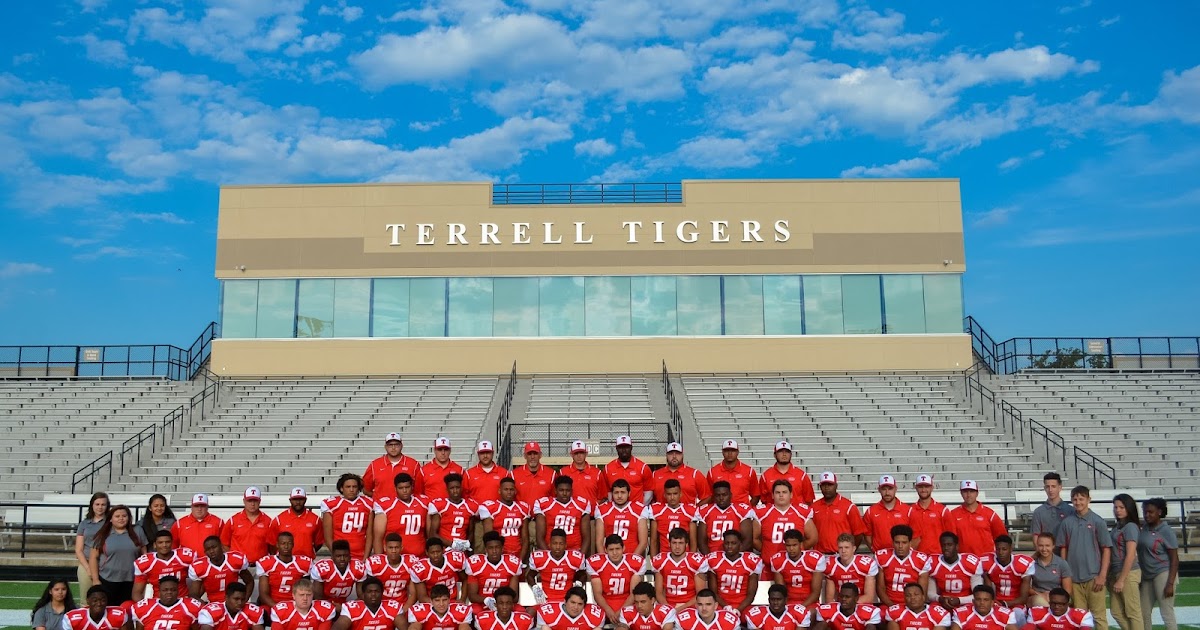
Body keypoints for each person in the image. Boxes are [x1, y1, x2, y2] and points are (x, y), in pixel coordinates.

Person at [1057, 486, 1111, 630]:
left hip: (1093, 577)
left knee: (1099, 616)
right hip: (1073, 579)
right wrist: (1065, 575)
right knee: (1079, 617)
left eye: (1081, 499)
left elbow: (1106, 549)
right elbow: (1063, 548)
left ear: (1088, 500)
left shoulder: (1098, 521)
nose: (1078, 502)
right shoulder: (1067, 522)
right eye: (1075, 499)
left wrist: (1102, 576)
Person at [89, 504, 147, 605]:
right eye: (117, 516)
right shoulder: (103, 534)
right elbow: (93, 557)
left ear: (129, 518)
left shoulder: (137, 531)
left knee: (128, 610)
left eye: (124, 516)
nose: (121, 518)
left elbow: (145, 555)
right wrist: (95, 579)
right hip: (108, 580)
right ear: (111, 519)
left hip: (132, 580)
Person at [753, 480, 818, 565]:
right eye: (777, 492)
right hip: (769, 564)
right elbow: (754, 539)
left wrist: (797, 549)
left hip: (795, 564)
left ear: (791, 495)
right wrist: (766, 550)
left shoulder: (801, 512)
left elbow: (813, 538)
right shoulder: (762, 512)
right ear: (772, 495)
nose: (781, 495)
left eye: (784, 492)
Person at [1138, 498, 1178, 630]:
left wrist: (1170, 583)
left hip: (1163, 572)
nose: (1147, 515)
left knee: (1166, 613)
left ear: (1159, 512)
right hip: (1146, 575)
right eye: (1145, 512)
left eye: (1151, 512)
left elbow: (1174, 558)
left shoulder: (1165, 530)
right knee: (1143, 613)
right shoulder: (1144, 528)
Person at [587, 534, 647, 624]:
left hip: (628, 604)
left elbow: (633, 593)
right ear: (605, 550)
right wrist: (609, 611)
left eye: (617, 549)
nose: (615, 553)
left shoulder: (634, 563)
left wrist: (621, 612)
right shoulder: (596, 563)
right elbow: (597, 594)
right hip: (604, 604)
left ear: (623, 548)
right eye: (611, 549)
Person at [704, 529, 761, 618]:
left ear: (740, 544)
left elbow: (751, 594)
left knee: (755, 619)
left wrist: (738, 610)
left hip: (743, 605)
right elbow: (713, 592)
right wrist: (726, 607)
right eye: (727, 543)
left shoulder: (750, 561)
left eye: (733, 543)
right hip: (720, 604)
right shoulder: (714, 560)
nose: (729, 546)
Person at [651, 527, 709, 613]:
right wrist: (669, 608)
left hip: (690, 606)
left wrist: (681, 608)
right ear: (669, 544)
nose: (677, 547)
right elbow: (658, 593)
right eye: (674, 543)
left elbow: (700, 594)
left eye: (681, 543)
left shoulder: (695, 561)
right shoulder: (660, 561)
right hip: (667, 605)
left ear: (686, 544)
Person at [464, 532, 521, 616]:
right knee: (471, 612)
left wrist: (500, 603)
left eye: (497, 547)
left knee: (521, 612)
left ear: (502, 548)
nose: (494, 551)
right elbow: (472, 596)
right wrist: (486, 600)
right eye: (490, 548)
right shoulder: (475, 563)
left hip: (505, 604)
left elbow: (515, 597)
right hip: (482, 603)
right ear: (486, 549)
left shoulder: (512, 563)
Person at [1108, 494, 1143, 630]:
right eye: (1116, 507)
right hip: (1115, 571)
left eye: (1122, 507)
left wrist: (1122, 579)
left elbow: (1131, 555)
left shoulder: (1131, 527)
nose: (1118, 510)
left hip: (1128, 572)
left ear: (1129, 508)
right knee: (1116, 612)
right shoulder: (1117, 527)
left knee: (1132, 612)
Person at [374, 472, 430, 557]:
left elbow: (429, 533)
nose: (404, 491)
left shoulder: (424, 503)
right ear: (395, 488)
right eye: (401, 488)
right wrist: (379, 558)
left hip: (419, 556)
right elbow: (378, 537)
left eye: (407, 487)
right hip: (395, 558)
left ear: (412, 487)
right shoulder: (386, 505)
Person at [945, 481, 1007, 557]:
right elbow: (950, 540)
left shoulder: (990, 514)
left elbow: (1002, 538)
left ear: (977, 493)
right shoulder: (953, 514)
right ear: (961, 493)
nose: (968, 495)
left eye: (971, 491)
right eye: (965, 492)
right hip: (963, 560)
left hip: (986, 559)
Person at [981, 535, 1033, 625]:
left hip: (1016, 603)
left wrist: (1005, 604)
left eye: (1004, 549)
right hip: (996, 602)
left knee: (1018, 614)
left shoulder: (1022, 563)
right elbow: (987, 590)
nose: (1000, 552)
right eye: (998, 549)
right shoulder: (986, 561)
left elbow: (1024, 598)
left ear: (1010, 549)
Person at [533, 476, 593, 554]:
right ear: (555, 490)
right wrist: (549, 556)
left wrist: (580, 557)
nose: (564, 493)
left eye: (567, 490)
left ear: (572, 491)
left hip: (575, 550)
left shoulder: (582, 504)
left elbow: (586, 537)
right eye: (561, 490)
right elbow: (540, 537)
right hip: (550, 551)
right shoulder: (544, 504)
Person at [133, 529, 198, 602]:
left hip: (183, 600)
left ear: (172, 543)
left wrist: (193, 598)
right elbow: (137, 593)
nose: (164, 545)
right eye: (160, 542)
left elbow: (201, 579)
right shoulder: (145, 563)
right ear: (154, 545)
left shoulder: (186, 556)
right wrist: (147, 608)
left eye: (167, 542)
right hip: (158, 602)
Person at [811, 472, 867, 554]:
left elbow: (858, 533)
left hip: (841, 555)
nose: (827, 488)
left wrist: (849, 551)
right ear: (820, 487)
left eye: (830, 485)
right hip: (820, 555)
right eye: (824, 485)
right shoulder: (814, 507)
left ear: (836, 486)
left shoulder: (849, 507)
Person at [322, 473, 375, 561]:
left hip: (360, 554)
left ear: (358, 488)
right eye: (348, 487)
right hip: (339, 555)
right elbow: (328, 536)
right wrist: (337, 555)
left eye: (354, 487)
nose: (351, 490)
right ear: (341, 488)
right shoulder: (332, 505)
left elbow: (370, 535)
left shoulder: (368, 504)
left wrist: (365, 558)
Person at [527, 529, 587, 605]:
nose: (558, 547)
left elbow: (583, 574)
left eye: (561, 543)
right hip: (545, 600)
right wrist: (535, 588)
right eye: (555, 543)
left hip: (568, 601)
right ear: (549, 544)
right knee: (530, 611)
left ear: (565, 545)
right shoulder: (541, 558)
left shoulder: (574, 558)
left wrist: (578, 584)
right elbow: (530, 575)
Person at [875, 525, 930, 608]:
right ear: (892, 542)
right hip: (888, 604)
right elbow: (880, 589)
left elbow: (922, 592)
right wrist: (892, 606)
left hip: (913, 605)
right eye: (897, 542)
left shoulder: (921, 560)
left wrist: (910, 609)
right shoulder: (882, 557)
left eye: (904, 543)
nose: (900, 546)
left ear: (910, 543)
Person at [257, 531, 316, 608]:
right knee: (261, 614)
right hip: (272, 604)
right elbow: (263, 594)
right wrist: (278, 608)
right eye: (283, 543)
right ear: (277, 545)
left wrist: (296, 607)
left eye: (289, 543)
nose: (286, 546)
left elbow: (306, 590)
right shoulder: (266, 563)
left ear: (293, 545)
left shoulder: (303, 563)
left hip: (296, 605)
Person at [189, 535, 254, 603]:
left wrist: (243, 600)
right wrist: (204, 605)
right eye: (208, 549)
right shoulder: (200, 566)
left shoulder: (235, 560)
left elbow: (249, 581)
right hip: (213, 604)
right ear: (205, 552)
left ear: (221, 546)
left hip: (233, 603)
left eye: (214, 547)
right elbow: (193, 595)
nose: (211, 551)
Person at [928, 532, 983, 612]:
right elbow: (929, 593)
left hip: (966, 603)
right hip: (942, 603)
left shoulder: (970, 563)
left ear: (957, 546)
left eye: (949, 545)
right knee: (932, 611)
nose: (946, 548)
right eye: (944, 545)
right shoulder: (933, 563)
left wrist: (959, 600)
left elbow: (979, 595)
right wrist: (940, 599)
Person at [771, 529, 826, 606]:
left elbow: (816, 593)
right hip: (788, 602)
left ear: (801, 544)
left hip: (809, 602)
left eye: (794, 545)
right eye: (788, 545)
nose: (791, 549)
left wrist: (800, 607)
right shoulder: (778, 560)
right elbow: (781, 591)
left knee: (812, 614)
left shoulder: (814, 559)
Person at [479, 477, 531, 559]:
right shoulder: (491, 507)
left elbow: (525, 539)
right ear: (499, 491)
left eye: (511, 489)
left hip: (518, 551)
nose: (509, 492)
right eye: (506, 489)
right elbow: (489, 538)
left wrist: (520, 560)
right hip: (499, 553)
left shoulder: (522, 507)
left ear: (515, 491)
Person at [594, 479, 649, 556]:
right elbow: (599, 542)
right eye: (616, 492)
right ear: (612, 494)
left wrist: (632, 559)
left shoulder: (639, 509)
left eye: (622, 492)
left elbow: (643, 542)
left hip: (632, 554)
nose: (619, 496)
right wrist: (604, 560)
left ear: (629, 493)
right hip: (610, 556)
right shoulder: (602, 510)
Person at [696, 481, 754, 554]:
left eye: (724, 495)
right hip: (713, 555)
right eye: (718, 495)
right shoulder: (705, 511)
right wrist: (710, 558)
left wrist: (732, 557)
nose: (721, 498)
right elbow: (702, 542)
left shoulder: (742, 511)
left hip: (735, 556)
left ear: (730, 495)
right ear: (713, 496)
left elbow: (747, 541)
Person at [363, 432, 424, 499]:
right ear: (385, 447)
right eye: (390, 445)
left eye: (396, 445)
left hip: (404, 507)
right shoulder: (374, 465)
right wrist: (379, 498)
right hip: (382, 508)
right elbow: (366, 489)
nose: (393, 448)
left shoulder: (413, 464)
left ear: (401, 446)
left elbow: (419, 490)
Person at [647, 479, 700, 555]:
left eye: (675, 494)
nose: (672, 497)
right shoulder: (657, 510)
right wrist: (654, 561)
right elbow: (653, 541)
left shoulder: (690, 511)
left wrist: (691, 559)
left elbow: (693, 541)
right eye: (669, 494)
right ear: (664, 495)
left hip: (684, 556)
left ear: (680, 494)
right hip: (664, 555)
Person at [130, 576, 203, 630]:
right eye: (165, 590)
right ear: (159, 591)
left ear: (178, 591)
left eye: (173, 590)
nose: (169, 592)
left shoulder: (190, 607)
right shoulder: (145, 607)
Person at [221, 487, 273, 563]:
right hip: (238, 567)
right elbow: (224, 544)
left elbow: (272, 546)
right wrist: (234, 559)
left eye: (255, 501)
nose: (252, 504)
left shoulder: (268, 521)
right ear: (244, 501)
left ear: (259, 501)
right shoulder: (233, 521)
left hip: (261, 566)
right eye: (249, 501)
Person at [825, 533, 879, 604]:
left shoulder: (866, 564)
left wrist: (849, 605)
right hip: (841, 605)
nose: (843, 551)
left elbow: (869, 597)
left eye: (847, 547)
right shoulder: (830, 565)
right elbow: (830, 599)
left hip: (861, 604)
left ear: (853, 548)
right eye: (840, 548)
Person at [864, 477, 915, 553]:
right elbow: (867, 535)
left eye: (890, 489)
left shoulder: (908, 510)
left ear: (895, 489)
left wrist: (906, 553)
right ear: (879, 490)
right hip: (880, 556)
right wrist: (875, 550)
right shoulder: (871, 511)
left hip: (902, 557)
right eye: (884, 489)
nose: (887, 492)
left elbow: (915, 536)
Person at [428, 473, 478, 549]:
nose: (455, 491)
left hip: (462, 548)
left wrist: (466, 544)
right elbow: (433, 533)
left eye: (457, 487)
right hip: (444, 547)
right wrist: (452, 544)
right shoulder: (441, 505)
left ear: (461, 488)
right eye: (452, 488)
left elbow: (471, 532)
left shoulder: (470, 506)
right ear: (447, 489)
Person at [310, 539, 367, 605]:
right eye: (338, 556)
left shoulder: (357, 568)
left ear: (350, 556)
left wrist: (347, 607)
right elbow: (318, 598)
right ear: (332, 557)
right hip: (323, 604)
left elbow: (361, 596)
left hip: (344, 604)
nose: (342, 559)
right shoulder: (322, 569)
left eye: (345, 556)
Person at [367, 533, 417, 607]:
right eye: (390, 547)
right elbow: (370, 593)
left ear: (401, 548)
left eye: (396, 547)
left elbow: (413, 594)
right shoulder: (375, 564)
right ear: (385, 548)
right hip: (380, 605)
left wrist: (403, 611)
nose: (394, 551)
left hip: (402, 604)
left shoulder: (411, 563)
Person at [759, 441, 815, 507]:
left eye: (787, 452)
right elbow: (763, 500)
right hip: (774, 516)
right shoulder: (766, 476)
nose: (784, 454)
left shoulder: (801, 475)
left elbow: (809, 500)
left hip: (797, 515)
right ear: (775, 455)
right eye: (780, 451)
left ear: (791, 454)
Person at [411, 537, 467, 602]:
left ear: (443, 550)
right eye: (432, 552)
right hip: (432, 604)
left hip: (453, 601)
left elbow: (465, 579)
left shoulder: (454, 560)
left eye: (438, 552)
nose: (435, 555)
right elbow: (422, 597)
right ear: (427, 552)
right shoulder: (421, 569)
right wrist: (440, 604)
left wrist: (462, 599)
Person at [272, 487, 324, 559]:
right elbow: (272, 543)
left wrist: (309, 551)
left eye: (301, 499)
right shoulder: (279, 519)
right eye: (295, 499)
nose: (298, 502)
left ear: (305, 500)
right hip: (285, 562)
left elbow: (319, 542)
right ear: (290, 500)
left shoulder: (315, 519)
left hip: (307, 561)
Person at [706, 440, 760, 506]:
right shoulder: (713, 472)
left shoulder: (749, 471)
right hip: (720, 513)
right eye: (727, 450)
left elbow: (756, 496)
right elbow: (709, 497)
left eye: (733, 450)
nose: (730, 453)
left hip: (741, 514)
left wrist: (747, 510)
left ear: (737, 452)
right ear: (722, 452)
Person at [269, 578, 337, 630]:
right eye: (301, 595)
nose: (305, 598)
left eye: (308, 595)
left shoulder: (324, 610)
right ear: (294, 595)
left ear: (313, 595)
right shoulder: (281, 611)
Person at [76, 493, 110, 594]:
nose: (100, 507)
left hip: (106, 565)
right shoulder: (84, 524)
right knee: (86, 598)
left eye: (103, 504)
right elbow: (78, 549)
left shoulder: (111, 523)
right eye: (97, 504)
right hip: (86, 564)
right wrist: (88, 568)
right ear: (92, 505)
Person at [336, 578, 403, 630]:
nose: (373, 594)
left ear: (382, 593)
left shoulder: (392, 607)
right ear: (363, 594)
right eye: (369, 591)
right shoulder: (352, 609)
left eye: (377, 591)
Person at [604, 435, 654, 504]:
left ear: (631, 448)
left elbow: (649, 492)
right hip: (616, 511)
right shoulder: (608, 468)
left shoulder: (643, 467)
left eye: (626, 447)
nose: (624, 450)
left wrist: (639, 508)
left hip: (637, 511)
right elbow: (608, 492)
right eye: (621, 447)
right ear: (616, 448)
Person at [197, 582, 265, 630]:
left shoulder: (253, 611)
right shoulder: (210, 612)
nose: (240, 602)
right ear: (226, 597)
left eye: (243, 599)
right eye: (236, 599)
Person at [813, 583, 882, 630]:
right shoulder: (828, 611)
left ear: (856, 599)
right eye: (842, 596)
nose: (843, 599)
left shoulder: (868, 612)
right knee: (822, 624)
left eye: (847, 597)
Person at [911, 475, 950, 557]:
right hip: (916, 557)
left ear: (932, 487)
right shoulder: (910, 510)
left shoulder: (942, 510)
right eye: (920, 487)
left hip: (938, 556)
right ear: (916, 488)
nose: (923, 490)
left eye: (927, 487)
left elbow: (950, 537)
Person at [533, 586, 605, 630]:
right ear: (565, 601)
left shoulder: (595, 615)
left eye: (580, 604)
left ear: (584, 605)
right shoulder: (548, 612)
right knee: (545, 628)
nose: (576, 607)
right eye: (573, 602)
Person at [883, 582, 949, 630]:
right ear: (904, 598)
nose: (912, 598)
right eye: (908, 595)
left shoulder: (937, 613)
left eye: (916, 594)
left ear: (923, 597)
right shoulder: (896, 612)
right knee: (891, 623)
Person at [559, 440, 607, 506]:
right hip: (570, 513)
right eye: (576, 453)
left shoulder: (597, 473)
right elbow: (558, 495)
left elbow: (603, 496)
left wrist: (592, 506)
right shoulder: (563, 472)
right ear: (571, 454)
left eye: (581, 453)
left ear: (586, 454)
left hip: (591, 513)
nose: (579, 456)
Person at [1030, 534, 1073, 606]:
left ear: (1053, 546)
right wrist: (1040, 594)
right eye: (1041, 545)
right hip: (1037, 596)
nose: (1044, 549)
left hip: (1058, 597)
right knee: (1040, 602)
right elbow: (1025, 587)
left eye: (1047, 545)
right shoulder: (1031, 563)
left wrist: (1054, 597)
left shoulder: (1062, 563)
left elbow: (1067, 590)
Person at [407, 583, 472, 630]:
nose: (441, 604)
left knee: (464, 627)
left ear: (449, 600)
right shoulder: (420, 611)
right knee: (414, 626)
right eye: (437, 600)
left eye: (444, 600)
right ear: (431, 601)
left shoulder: (461, 611)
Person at [744, 583, 810, 630]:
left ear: (786, 599)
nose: (775, 603)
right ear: (768, 600)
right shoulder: (756, 615)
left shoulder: (798, 613)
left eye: (779, 599)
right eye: (772, 599)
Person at [948, 585, 1016, 630]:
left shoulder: (1005, 615)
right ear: (973, 601)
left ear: (992, 602)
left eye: (986, 600)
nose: (982, 603)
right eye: (978, 599)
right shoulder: (961, 613)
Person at [511, 442, 556, 508]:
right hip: (522, 516)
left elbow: (555, 498)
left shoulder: (551, 474)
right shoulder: (514, 474)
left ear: (540, 455)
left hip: (543, 516)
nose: (532, 457)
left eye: (535, 453)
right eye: (529, 454)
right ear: (525, 456)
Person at [1025, 588, 1094, 630]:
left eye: (1061, 604)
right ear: (1049, 602)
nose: (1057, 606)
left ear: (1067, 604)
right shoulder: (1036, 613)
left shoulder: (1081, 616)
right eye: (1054, 603)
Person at [63, 586, 127, 630]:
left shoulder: (120, 615)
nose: (99, 604)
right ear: (88, 601)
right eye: (95, 600)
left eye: (103, 600)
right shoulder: (71, 619)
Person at [1030, 474, 1072, 540]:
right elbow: (1036, 536)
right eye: (1047, 487)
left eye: (1053, 486)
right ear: (1044, 488)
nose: (1050, 490)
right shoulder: (1038, 512)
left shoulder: (1070, 511)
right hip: (1046, 550)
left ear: (1060, 487)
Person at [673, 590, 741, 630]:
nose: (704, 608)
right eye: (700, 604)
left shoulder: (729, 621)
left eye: (708, 604)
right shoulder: (683, 619)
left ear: (716, 606)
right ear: (696, 605)